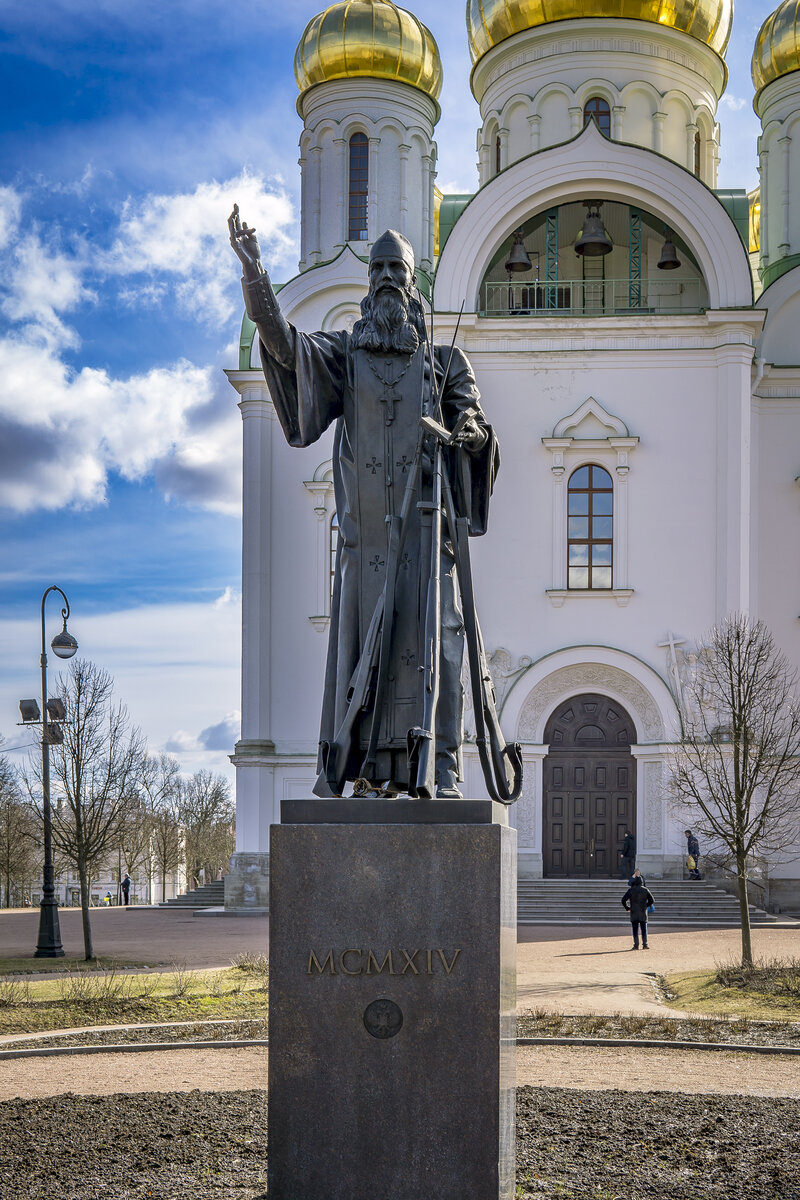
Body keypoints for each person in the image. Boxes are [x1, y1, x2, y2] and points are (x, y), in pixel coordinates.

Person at [229, 209, 499, 800]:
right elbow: (284, 346)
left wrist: (472, 434)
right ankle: (355, 770)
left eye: (393, 268)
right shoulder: (347, 355)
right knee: (360, 653)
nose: (382, 278)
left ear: (411, 285)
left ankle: (442, 768)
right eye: (375, 268)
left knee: (439, 646)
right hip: (364, 545)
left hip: (427, 543)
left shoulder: (443, 364)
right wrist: (256, 278)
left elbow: (471, 416)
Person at [621, 874, 655, 950]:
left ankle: (636, 945)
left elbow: (623, 900)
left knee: (635, 930)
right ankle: (645, 944)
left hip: (634, 911)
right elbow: (652, 900)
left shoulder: (631, 890)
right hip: (643, 911)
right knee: (644, 929)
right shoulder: (645, 890)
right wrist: (646, 905)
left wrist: (627, 908)